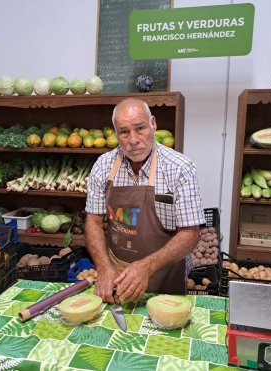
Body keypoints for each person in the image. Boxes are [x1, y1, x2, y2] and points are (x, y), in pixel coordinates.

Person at [85, 98, 204, 304]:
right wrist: (104, 267)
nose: (133, 140)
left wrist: (146, 267)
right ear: (116, 134)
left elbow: (191, 234)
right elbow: (94, 222)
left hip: (165, 274)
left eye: (140, 128)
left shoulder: (179, 168)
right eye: (124, 132)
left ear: (153, 124)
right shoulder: (103, 166)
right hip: (118, 276)